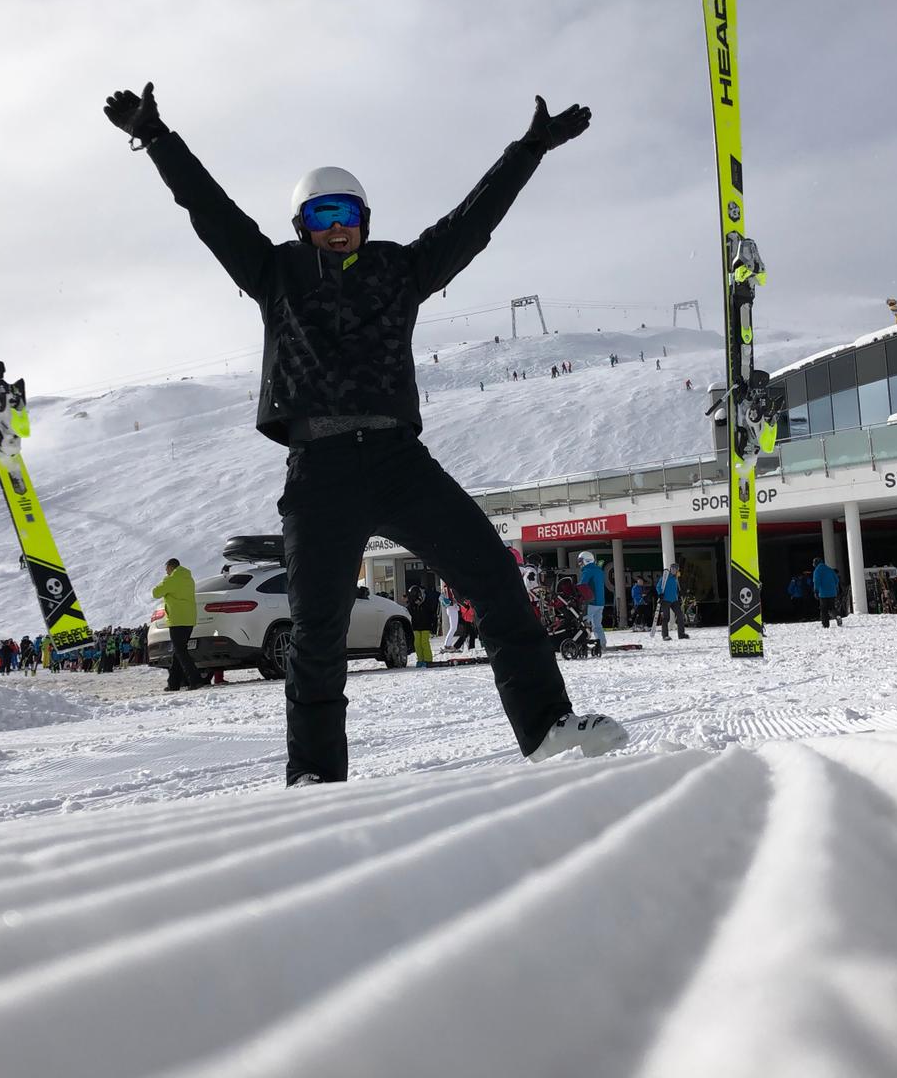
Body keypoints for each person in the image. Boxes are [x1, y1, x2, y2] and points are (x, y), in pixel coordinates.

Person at [105, 81, 625, 784]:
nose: (336, 225)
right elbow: (211, 211)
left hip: (397, 460)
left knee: (496, 578)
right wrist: (158, 139)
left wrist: (528, 150)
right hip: (318, 470)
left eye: (346, 212)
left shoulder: (398, 270)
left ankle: (546, 727)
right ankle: (315, 776)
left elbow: (470, 224)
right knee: (317, 628)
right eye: (322, 214)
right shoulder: (275, 273)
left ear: (364, 220)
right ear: (302, 226)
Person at [152, 557, 202, 691]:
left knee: (181, 651)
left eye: (166, 569)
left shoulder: (172, 579)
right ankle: (173, 683)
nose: (166, 572)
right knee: (178, 651)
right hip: (189, 619)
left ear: (171, 567)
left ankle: (195, 679)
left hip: (177, 619)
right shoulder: (188, 578)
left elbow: (156, 593)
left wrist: (165, 580)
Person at [576, 550, 608, 656]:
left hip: (591, 602)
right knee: (597, 625)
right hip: (601, 602)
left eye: (580, 561)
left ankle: (582, 644)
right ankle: (602, 644)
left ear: (586, 560)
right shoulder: (599, 570)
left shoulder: (588, 570)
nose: (580, 564)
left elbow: (582, 584)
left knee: (584, 624)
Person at [406, 584, 437, 668]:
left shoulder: (426, 603)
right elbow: (408, 613)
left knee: (424, 642)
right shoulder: (411, 605)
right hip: (415, 626)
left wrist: (433, 626)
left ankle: (428, 659)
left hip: (425, 625)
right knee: (417, 643)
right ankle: (420, 659)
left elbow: (432, 614)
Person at [655, 562, 689, 639]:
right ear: (670, 569)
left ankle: (681, 634)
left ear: (677, 570)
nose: (674, 570)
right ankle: (665, 635)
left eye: (675, 569)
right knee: (666, 618)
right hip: (666, 600)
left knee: (680, 616)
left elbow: (676, 588)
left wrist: (680, 592)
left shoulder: (676, 578)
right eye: (672, 568)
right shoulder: (665, 577)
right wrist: (660, 594)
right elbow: (658, 586)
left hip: (674, 600)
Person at [811, 557, 843, 627]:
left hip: (823, 593)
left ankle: (825, 624)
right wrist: (834, 587)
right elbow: (836, 580)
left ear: (816, 563)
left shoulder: (817, 570)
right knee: (832, 607)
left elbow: (816, 581)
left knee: (824, 609)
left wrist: (816, 591)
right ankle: (837, 615)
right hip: (832, 592)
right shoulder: (830, 569)